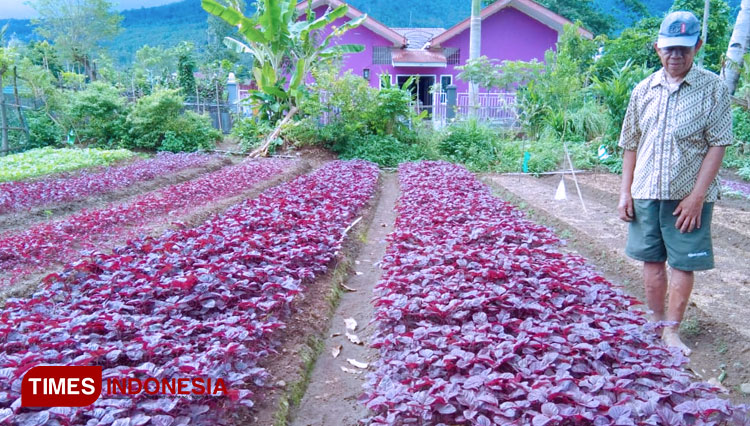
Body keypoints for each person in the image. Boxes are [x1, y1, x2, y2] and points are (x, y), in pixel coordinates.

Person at [617, 10, 732, 356]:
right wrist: (625, 191)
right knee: (651, 262)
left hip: (687, 198)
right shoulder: (643, 90)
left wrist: (697, 197)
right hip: (647, 192)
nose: (675, 56)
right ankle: (655, 323)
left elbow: (719, 143)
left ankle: (672, 331)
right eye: (669, 49)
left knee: (683, 263)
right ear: (657, 48)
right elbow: (631, 143)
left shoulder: (713, 89)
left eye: (684, 48)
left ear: (697, 46)